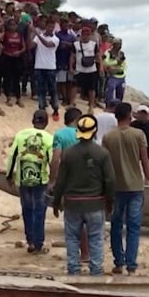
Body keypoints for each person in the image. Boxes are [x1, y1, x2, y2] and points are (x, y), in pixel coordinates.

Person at [52, 115, 115, 276]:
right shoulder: (102, 153)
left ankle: (73, 269)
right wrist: (110, 202)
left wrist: (56, 202)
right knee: (96, 238)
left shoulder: (68, 154)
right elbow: (110, 180)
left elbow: (61, 180)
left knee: (72, 238)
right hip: (95, 204)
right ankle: (96, 270)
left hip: (72, 204)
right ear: (94, 132)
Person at [101, 103, 149, 275]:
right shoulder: (138, 134)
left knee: (116, 225)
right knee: (134, 227)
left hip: (116, 187)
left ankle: (119, 262)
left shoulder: (108, 137)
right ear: (129, 115)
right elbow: (145, 163)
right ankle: (131, 265)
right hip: (135, 186)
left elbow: (105, 165)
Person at [6, 110, 54, 254]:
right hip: (41, 180)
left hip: (23, 179)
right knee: (40, 211)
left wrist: (9, 175)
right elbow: (52, 160)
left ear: (32, 121)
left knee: (27, 209)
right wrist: (54, 180)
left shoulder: (21, 135)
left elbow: (12, 155)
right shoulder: (48, 138)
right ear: (46, 122)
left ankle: (30, 241)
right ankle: (38, 243)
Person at [50, 107, 90, 261]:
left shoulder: (60, 135)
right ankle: (86, 252)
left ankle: (76, 256)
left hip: (68, 181)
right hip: (87, 180)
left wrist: (53, 181)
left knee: (72, 219)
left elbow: (56, 159)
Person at [31, 19, 60, 121]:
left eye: (52, 27)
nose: (50, 29)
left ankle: (55, 109)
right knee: (41, 89)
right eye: (49, 26)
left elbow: (48, 44)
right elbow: (31, 46)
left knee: (53, 89)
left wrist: (37, 35)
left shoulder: (56, 39)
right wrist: (30, 33)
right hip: (39, 66)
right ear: (46, 26)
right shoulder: (38, 36)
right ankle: (42, 109)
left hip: (51, 67)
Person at [71, 27, 100, 112]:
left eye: (88, 35)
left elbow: (98, 56)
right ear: (81, 35)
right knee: (75, 86)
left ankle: (91, 106)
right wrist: (71, 67)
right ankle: (71, 103)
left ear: (90, 35)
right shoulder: (76, 44)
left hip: (91, 69)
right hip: (79, 69)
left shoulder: (94, 44)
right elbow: (72, 56)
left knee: (92, 88)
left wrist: (101, 67)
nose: (86, 36)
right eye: (84, 34)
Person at [0, 19, 25, 107]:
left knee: (17, 79)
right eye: (11, 25)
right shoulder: (5, 34)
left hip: (17, 58)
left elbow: (24, 47)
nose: (13, 27)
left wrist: (19, 52)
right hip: (7, 58)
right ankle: (8, 98)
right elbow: (0, 43)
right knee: (8, 78)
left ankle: (18, 98)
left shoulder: (20, 35)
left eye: (14, 25)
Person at [131, 105, 149, 170]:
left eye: (144, 113)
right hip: (135, 158)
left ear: (147, 115)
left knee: (148, 178)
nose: (142, 115)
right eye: (140, 113)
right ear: (137, 114)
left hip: (148, 157)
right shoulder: (132, 126)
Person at [55, 18, 76, 106]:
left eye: (67, 25)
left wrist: (69, 45)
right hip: (60, 60)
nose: (65, 27)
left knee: (70, 81)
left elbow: (75, 47)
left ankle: (69, 98)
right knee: (62, 81)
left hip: (70, 61)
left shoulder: (72, 37)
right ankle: (64, 98)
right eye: (64, 25)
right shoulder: (57, 35)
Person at [103, 38, 126, 103]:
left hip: (121, 76)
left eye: (120, 44)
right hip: (112, 76)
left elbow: (124, 63)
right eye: (117, 44)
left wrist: (120, 67)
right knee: (110, 91)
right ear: (114, 44)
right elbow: (105, 62)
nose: (119, 46)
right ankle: (108, 105)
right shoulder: (108, 52)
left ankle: (118, 107)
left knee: (120, 93)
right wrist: (116, 62)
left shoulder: (121, 53)